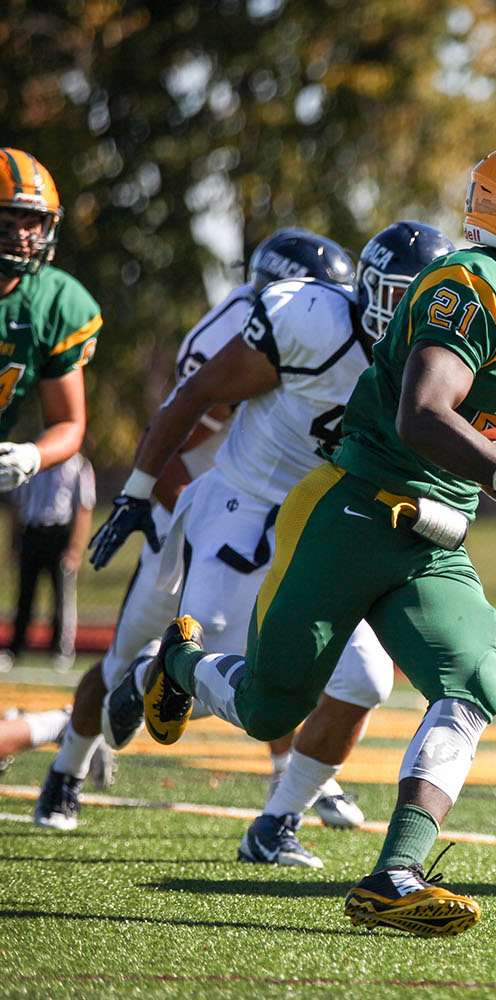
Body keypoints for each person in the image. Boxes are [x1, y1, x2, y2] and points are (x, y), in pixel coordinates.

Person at [118, 141, 496, 937]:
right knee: (271, 701)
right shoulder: (468, 285)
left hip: (435, 532)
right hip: (350, 508)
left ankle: (395, 873)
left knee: (473, 678)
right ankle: (175, 662)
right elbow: (424, 413)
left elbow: (484, 435)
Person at [91, 223, 453, 866]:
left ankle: (274, 822)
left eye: (423, 298)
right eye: (396, 295)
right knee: (252, 673)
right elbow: (197, 392)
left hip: (331, 518)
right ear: (366, 289)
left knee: (367, 680)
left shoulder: (442, 365)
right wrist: (138, 488)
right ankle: (158, 668)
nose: (408, 314)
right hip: (245, 501)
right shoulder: (310, 319)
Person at [31, 228, 363, 832]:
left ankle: (297, 779)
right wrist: (194, 520)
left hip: (269, 518)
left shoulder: (330, 337)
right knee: (130, 657)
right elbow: (174, 449)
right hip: (193, 513)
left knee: (272, 651)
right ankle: (66, 770)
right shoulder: (243, 342)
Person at [0, 148, 99, 544]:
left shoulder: (55, 303)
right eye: (8, 224)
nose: (24, 239)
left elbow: (67, 422)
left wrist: (32, 456)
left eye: (34, 224)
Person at [3, 451, 95, 672]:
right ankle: (15, 647)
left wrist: (75, 548)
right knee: (25, 594)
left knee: (61, 595)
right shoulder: (31, 460)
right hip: (32, 532)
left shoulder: (79, 465)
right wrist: (14, 541)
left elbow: (84, 507)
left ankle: (61, 649)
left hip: (59, 535)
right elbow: (17, 504)